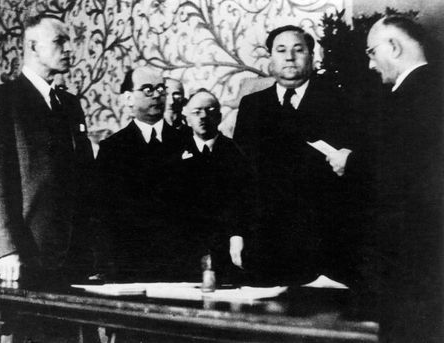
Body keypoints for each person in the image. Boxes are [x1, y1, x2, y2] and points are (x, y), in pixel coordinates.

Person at [233, 25, 358, 285]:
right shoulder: (252, 106)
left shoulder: (340, 101)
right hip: (266, 243)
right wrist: (236, 232)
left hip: (324, 245)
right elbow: (240, 178)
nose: (289, 57)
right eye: (281, 50)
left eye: (298, 50)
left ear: (312, 56)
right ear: (270, 58)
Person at [0, 14, 93, 283]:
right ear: (33, 46)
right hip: (26, 255)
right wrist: (6, 250)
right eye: (59, 41)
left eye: (69, 41)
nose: (70, 49)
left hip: (72, 256)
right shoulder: (3, 101)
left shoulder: (70, 105)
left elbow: (84, 179)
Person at [360, 15, 443, 343]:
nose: (370, 65)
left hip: (413, 263)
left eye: (370, 52)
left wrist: (350, 162)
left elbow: (399, 183)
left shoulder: (404, 101)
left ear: (392, 46)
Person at [95, 66, 185, 280]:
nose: (157, 95)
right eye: (147, 89)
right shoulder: (112, 149)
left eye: (161, 89)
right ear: (128, 98)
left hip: (180, 262)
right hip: (129, 263)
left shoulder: (187, 142)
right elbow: (101, 212)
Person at [167, 89, 253, 281]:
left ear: (220, 116)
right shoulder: (173, 152)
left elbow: (242, 200)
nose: (204, 117)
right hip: (183, 241)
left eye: (210, 111)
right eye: (197, 112)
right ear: (186, 118)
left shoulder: (236, 153)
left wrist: (236, 235)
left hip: (225, 241)